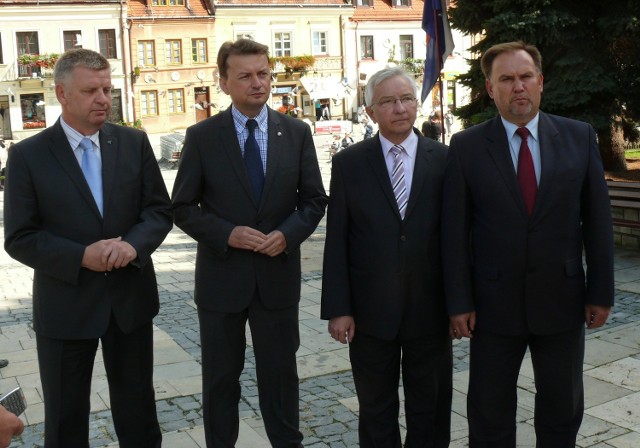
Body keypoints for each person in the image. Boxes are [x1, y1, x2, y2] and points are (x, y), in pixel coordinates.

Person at [442, 41, 614, 447]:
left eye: (524, 77)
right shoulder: (467, 147)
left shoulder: (579, 137)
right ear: (490, 88)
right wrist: (458, 302)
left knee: (562, 406)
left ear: (540, 82)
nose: (517, 87)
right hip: (491, 307)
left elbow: (598, 222)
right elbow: (454, 232)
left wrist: (601, 292)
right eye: (506, 79)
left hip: (562, 300)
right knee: (489, 410)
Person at [3, 48, 172, 447]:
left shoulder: (133, 143)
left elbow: (158, 211)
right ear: (61, 93)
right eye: (90, 90)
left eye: (107, 89)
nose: (102, 98)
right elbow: (20, 237)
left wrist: (132, 246)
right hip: (66, 305)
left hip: (129, 303)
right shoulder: (28, 156)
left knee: (139, 414)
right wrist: (81, 256)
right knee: (65, 419)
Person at [171, 38, 327, 448]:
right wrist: (227, 233)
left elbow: (313, 200)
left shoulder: (295, 132)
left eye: (263, 74)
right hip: (222, 282)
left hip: (276, 279)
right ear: (224, 82)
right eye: (245, 76)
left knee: (280, 377)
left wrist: (287, 235)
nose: (258, 83)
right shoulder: (203, 136)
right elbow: (183, 207)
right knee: (221, 379)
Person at [321, 66, 452, 448]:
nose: (399, 108)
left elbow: (458, 239)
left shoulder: (444, 160)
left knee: (430, 408)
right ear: (371, 112)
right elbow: (338, 240)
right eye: (388, 101)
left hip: (431, 309)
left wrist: (460, 303)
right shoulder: (349, 164)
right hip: (369, 315)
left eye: (406, 99)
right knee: (376, 410)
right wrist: (339, 308)